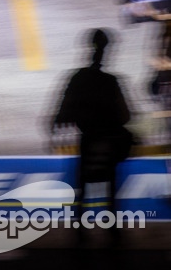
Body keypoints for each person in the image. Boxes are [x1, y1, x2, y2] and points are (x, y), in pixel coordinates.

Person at [52, 28, 134, 246]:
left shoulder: (78, 78)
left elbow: (62, 114)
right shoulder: (111, 81)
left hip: (88, 141)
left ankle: (80, 235)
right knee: (110, 193)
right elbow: (126, 115)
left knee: (82, 190)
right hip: (108, 142)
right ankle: (113, 235)